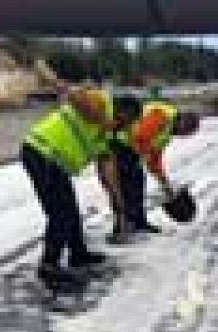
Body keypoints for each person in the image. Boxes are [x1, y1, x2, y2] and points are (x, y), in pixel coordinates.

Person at [21, 87, 126, 287]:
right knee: (60, 213)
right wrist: (101, 118)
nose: (119, 128)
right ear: (121, 113)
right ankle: (48, 266)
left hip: (54, 163)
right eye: (122, 123)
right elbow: (74, 95)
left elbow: (108, 173)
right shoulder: (101, 102)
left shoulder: (103, 136)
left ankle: (78, 254)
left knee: (71, 211)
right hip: (40, 153)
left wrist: (118, 203)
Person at [111, 96, 201, 234]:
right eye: (186, 131)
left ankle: (138, 222)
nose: (182, 135)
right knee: (125, 188)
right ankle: (123, 226)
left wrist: (165, 184)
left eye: (187, 134)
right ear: (182, 120)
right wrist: (145, 152)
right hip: (119, 145)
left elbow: (154, 161)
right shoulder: (162, 116)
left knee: (138, 184)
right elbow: (140, 136)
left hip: (130, 149)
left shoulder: (168, 131)